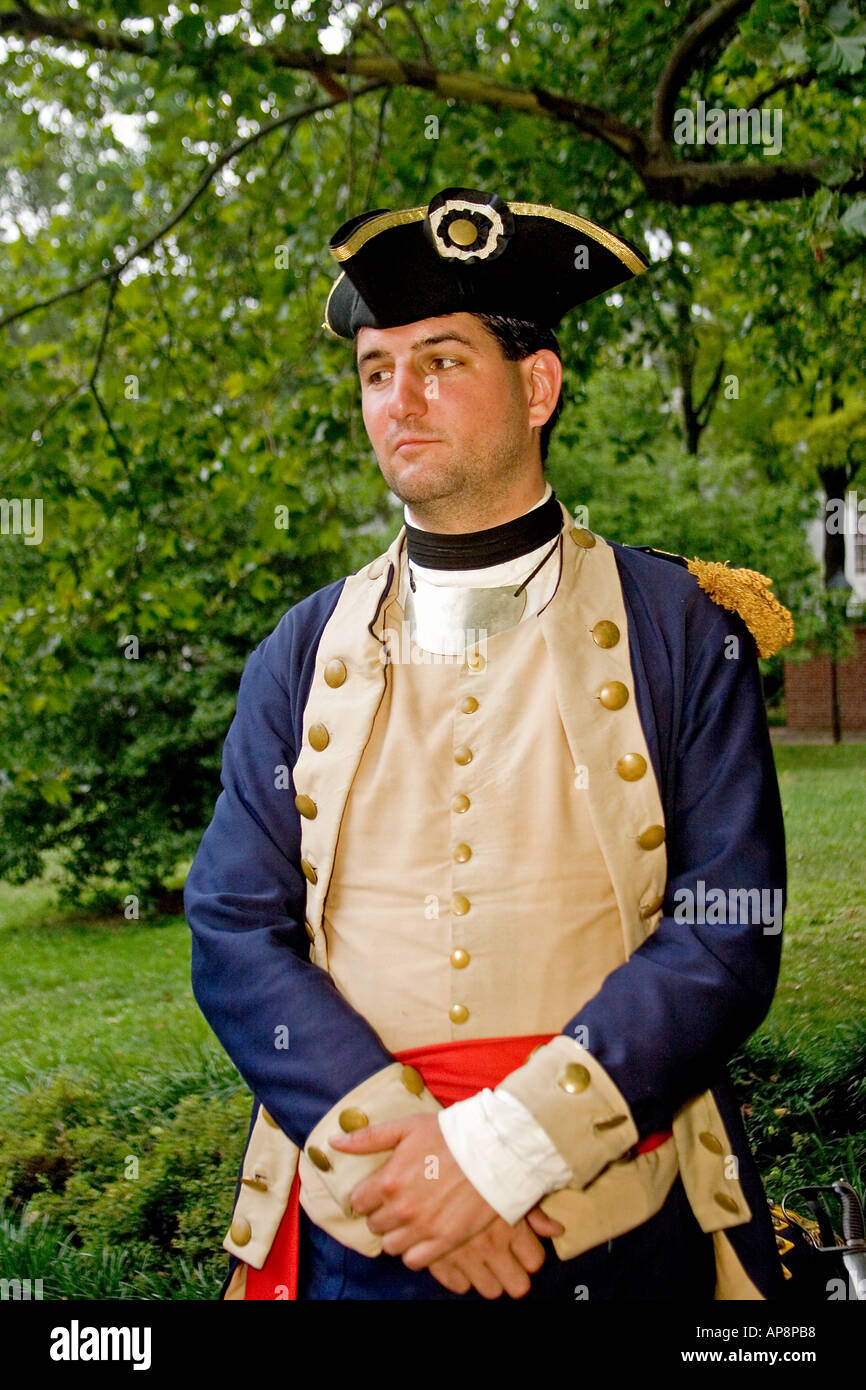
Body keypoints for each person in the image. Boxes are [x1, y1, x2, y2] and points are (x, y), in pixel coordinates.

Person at [184, 187, 795, 1301]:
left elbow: (724, 931)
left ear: (538, 386)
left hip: (609, 1219)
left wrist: (501, 1155)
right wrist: (415, 1163)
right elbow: (232, 927)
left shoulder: (680, 627)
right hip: (365, 1224)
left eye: (441, 362)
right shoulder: (299, 648)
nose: (399, 399)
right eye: (376, 371)